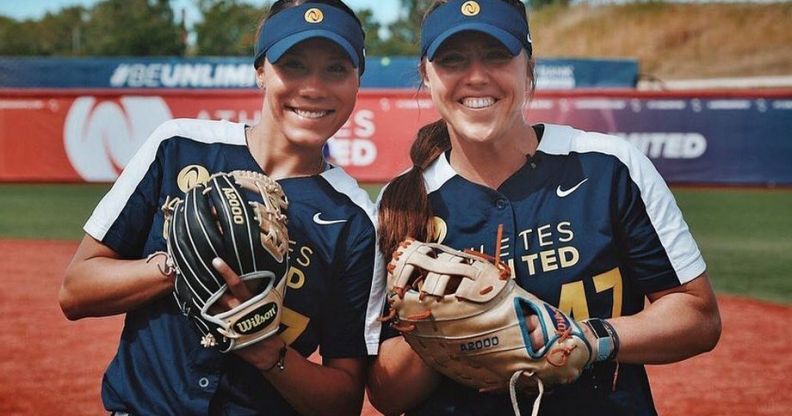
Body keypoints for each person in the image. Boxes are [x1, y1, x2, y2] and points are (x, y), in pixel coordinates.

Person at [368, 0, 722, 415]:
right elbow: (386, 395)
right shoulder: (399, 203)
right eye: (452, 60)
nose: (476, 76)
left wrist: (590, 338)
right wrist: (443, 330)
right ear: (427, 75)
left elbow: (698, 317)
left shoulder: (608, 166)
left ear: (528, 65)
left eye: (497, 55)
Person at [58, 1, 385, 414]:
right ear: (260, 71)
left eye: (336, 68)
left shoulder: (355, 220)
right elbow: (75, 291)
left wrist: (269, 352)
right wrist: (180, 264)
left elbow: (344, 399)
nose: (313, 87)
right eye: (294, 64)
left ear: (358, 80)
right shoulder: (179, 145)